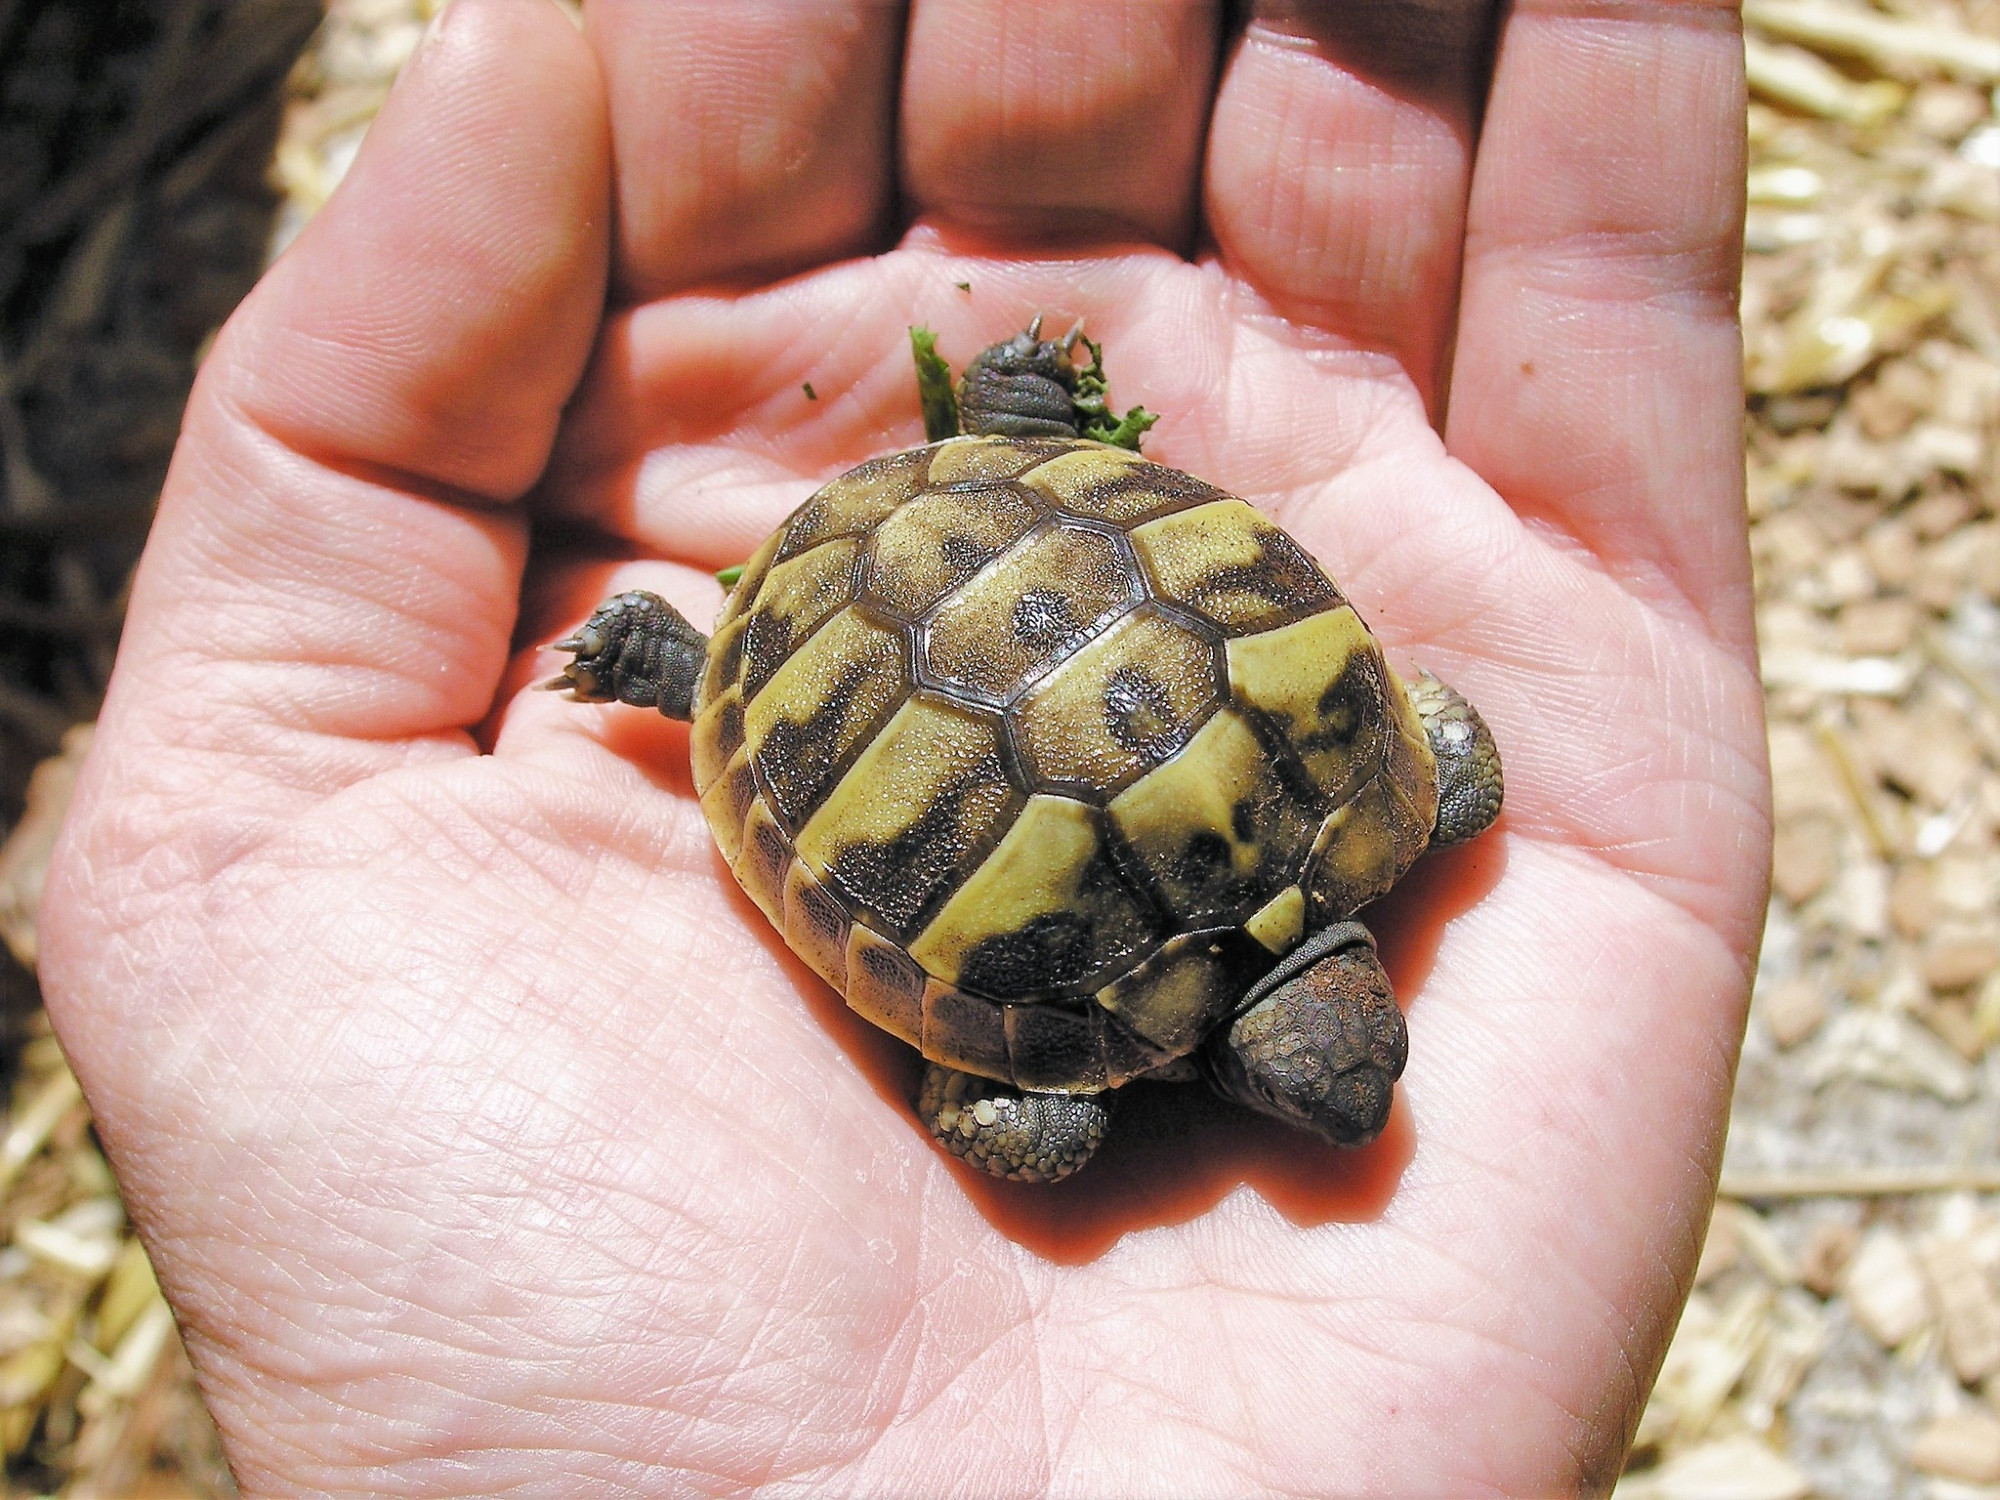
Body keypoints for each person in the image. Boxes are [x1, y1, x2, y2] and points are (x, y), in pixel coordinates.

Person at [40, 0, 1766, 1492]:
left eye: (1337, 1086)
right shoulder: (1350, 867)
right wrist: (981, 1095)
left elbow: (1439, 730)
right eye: (1349, 1076)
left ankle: (729, 650)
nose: (1355, 1102)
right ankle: (711, 657)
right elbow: (1000, 1084)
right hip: (964, 603)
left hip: (1011, 552)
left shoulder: (1395, 806)